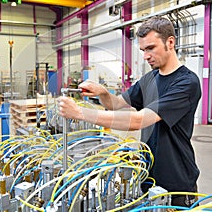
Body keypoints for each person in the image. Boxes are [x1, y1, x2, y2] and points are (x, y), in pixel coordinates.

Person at [58, 16, 201, 207]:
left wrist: (81, 113)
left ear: (170, 42)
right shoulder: (150, 79)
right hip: (148, 175)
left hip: (177, 182)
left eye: (150, 48)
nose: (146, 56)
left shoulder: (186, 83)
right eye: (143, 50)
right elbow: (117, 104)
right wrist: (102, 92)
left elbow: (139, 120)